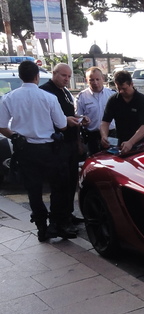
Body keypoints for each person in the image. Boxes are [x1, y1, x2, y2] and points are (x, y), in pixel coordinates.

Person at [0, 60, 75, 241]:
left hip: (25, 150)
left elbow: (2, 126)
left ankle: (41, 227)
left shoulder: (9, 98)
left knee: (34, 190)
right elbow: (62, 125)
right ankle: (56, 224)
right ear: (37, 76)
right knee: (59, 187)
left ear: (20, 76)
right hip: (49, 149)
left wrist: (15, 136)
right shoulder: (48, 98)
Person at [40, 63, 83, 228]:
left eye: (69, 76)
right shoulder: (46, 91)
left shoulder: (65, 92)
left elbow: (68, 114)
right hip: (56, 145)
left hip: (70, 143)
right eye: (63, 75)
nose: (67, 79)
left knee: (72, 182)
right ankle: (59, 221)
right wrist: (67, 120)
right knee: (60, 185)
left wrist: (79, 118)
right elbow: (46, 118)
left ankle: (68, 214)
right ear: (54, 73)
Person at [100, 70, 144, 154]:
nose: (121, 92)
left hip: (141, 144)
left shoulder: (141, 100)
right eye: (118, 89)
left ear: (131, 84)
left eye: (124, 88)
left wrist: (131, 142)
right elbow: (105, 122)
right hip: (121, 144)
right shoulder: (113, 100)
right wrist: (104, 136)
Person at [75, 67, 116, 155]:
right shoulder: (81, 97)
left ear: (103, 79)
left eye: (98, 79)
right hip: (92, 136)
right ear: (86, 80)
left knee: (113, 161)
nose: (95, 82)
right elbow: (77, 119)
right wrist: (82, 120)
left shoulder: (112, 94)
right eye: (91, 80)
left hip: (111, 135)